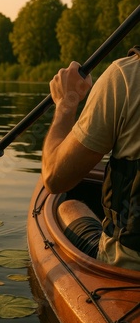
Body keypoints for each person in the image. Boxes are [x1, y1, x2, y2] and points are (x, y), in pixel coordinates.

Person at [42, 46, 140, 270]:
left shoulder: (125, 76)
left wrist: (66, 103)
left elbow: (54, 178)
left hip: (127, 267)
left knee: (68, 206)